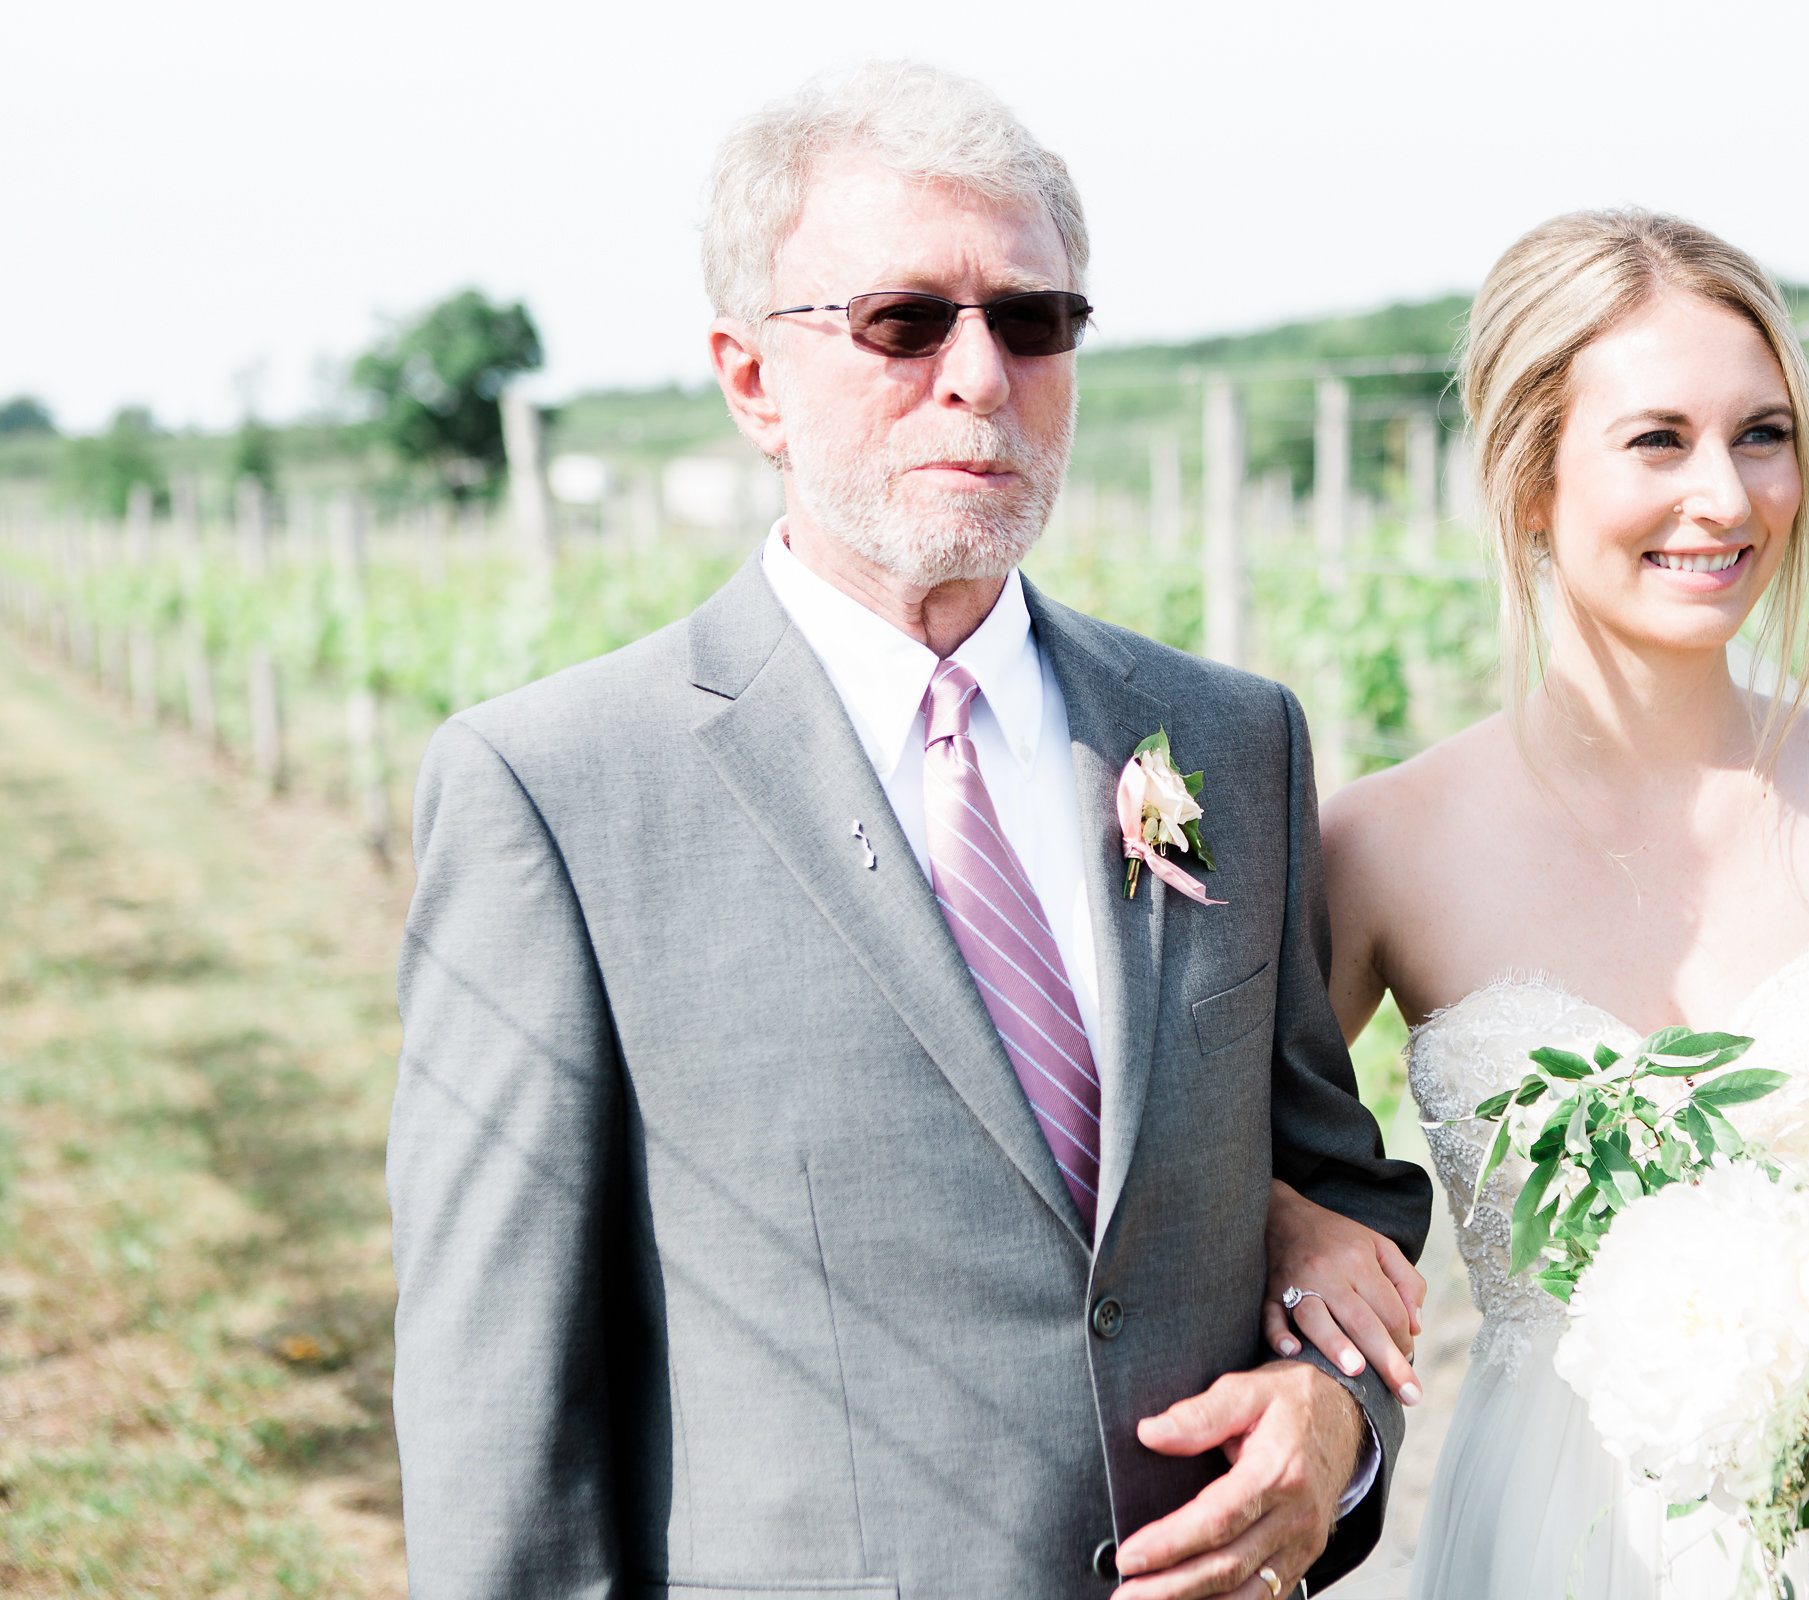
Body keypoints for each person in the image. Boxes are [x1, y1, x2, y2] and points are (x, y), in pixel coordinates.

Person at [386, 61, 1430, 1600]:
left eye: (1033, 319)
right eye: (903, 321)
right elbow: (501, 1404)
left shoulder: (1224, 741)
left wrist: (1336, 1422)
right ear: (752, 379)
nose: (981, 376)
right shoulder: (557, 792)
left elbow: (1328, 1190)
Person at [1262, 210, 1809, 1598]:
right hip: (1548, 1538)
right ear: (1528, 481)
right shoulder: (1382, 842)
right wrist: (1284, 1215)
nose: (1725, 497)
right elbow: (1196, 1160)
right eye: (1658, 441)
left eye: (1762, 435)